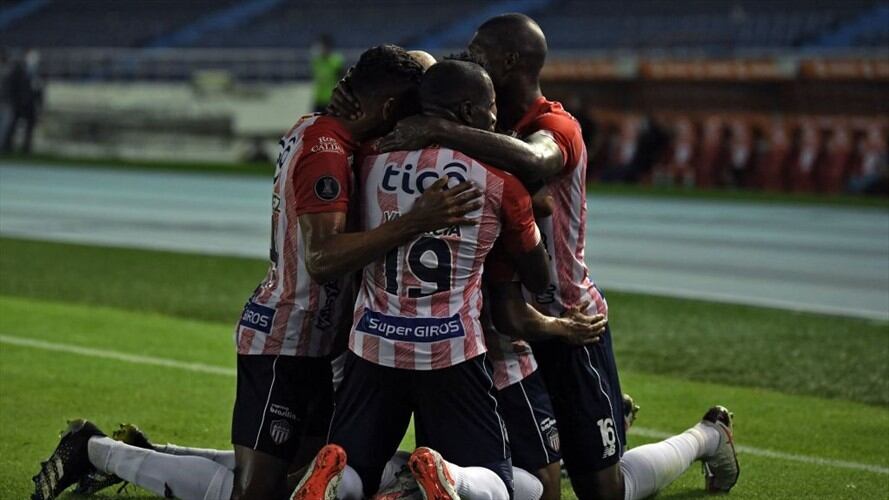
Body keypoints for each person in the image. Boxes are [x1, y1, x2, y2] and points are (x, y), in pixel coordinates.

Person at [30, 45, 483, 500]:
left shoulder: (324, 131)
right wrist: (414, 221)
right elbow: (321, 259)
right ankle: (93, 450)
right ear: (386, 109)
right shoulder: (326, 149)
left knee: (303, 477)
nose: (409, 126)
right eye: (406, 113)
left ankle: (139, 451)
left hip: (312, 340)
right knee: (260, 491)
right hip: (285, 337)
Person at [358, 13, 740, 500]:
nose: (470, 59)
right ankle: (592, 420)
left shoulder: (554, 123)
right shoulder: (478, 115)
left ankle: (708, 436)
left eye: (480, 53)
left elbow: (536, 161)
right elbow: (433, 77)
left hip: (566, 316)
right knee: (487, 467)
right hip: (501, 325)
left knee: (603, 488)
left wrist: (440, 129)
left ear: (510, 61)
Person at [294, 58, 552, 500]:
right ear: (470, 113)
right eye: (490, 109)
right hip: (451, 349)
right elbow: (539, 276)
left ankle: (332, 485)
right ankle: (450, 477)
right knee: (501, 480)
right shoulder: (500, 181)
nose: (495, 118)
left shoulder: (369, 158)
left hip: (373, 344)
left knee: (356, 466)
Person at [2, 48, 42, 153]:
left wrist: (39, 106)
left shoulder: (37, 73)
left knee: (28, 128)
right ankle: (6, 147)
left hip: (30, 105)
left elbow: (39, 91)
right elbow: (12, 87)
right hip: (17, 103)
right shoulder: (18, 70)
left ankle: (25, 148)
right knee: (10, 126)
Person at [311, 35, 345, 114]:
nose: (321, 49)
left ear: (329, 47)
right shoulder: (316, 61)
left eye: (323, 46)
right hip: (319, 98)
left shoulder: (336, 61)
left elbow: (342, 77)